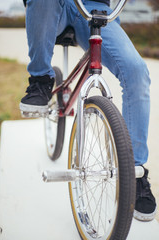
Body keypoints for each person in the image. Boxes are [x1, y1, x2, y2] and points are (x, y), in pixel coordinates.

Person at [20, 0, 156, 221]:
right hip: (56, 4)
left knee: (137, 73)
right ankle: (40, 79)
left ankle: (135, 171)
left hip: (96, 5)